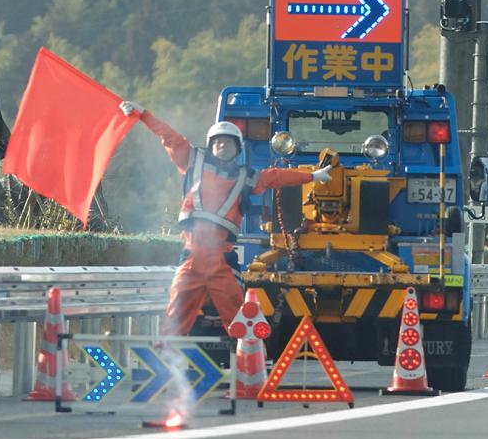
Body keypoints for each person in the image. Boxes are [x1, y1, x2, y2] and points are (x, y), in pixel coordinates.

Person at [119, 100, 331, 336]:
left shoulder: (247, 177)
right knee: (176, 313)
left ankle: (246, 353)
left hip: (222, 257)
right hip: (192, 254)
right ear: (210, 145)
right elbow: (169, 136)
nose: (222, 146)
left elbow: (276, 177)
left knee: (238, 315)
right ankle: (167, 354)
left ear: (237, 148)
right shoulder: (193, 160)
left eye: (228, 143)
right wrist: (143, 115)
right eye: (218, 142)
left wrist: (312, 176)